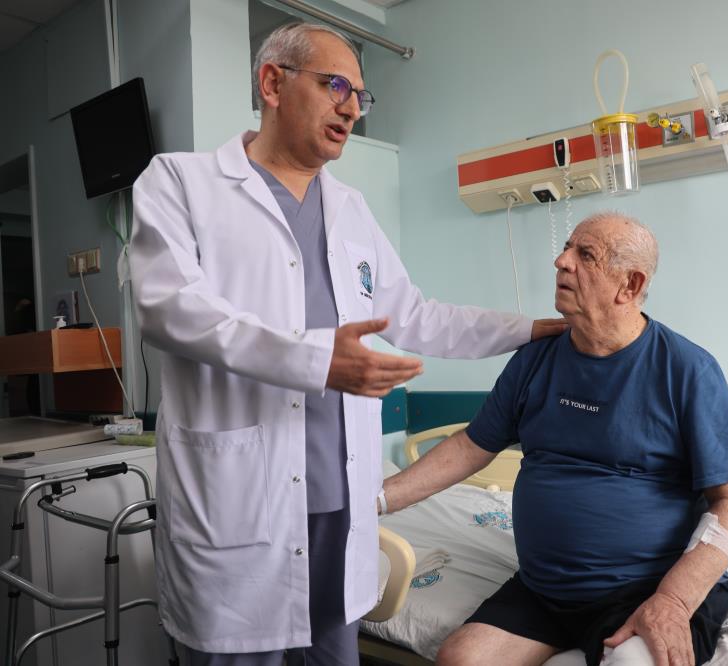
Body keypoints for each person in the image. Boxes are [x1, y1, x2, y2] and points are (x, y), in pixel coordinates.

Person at [128, 22, 565, 666]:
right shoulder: (181, 183)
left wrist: (525, 329)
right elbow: (170, 309)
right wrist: (315, 359)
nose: (353, 108)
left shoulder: (350, 208)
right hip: (240, 498)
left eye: (361, 95)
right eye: (336, 86)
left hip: (339, 502)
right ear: (272, 83)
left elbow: (413, 316)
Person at [382, 212, 728, 666]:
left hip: (649, 587)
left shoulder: (686, 370)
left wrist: (675, 601)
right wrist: (374, 502)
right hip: (545, 589)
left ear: (630, 284)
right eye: (566, 249)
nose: (561, 262)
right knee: (460, 660)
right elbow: (470, 447)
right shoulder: (535, 360)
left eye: (586, 254)